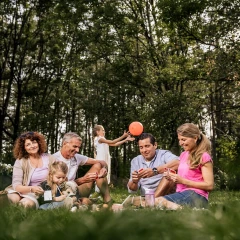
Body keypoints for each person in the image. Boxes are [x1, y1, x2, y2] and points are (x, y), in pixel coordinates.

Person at [155, 123, 214, 209]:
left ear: (195, 138)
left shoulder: (204, 156)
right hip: (183, 194)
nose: (180, 143)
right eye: (179, 140)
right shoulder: (183, 155)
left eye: (183, 139)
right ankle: (182, 209)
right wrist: (172, 177)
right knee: (154, 203)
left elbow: (209, 185)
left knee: (157, 202)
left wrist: (183, 181)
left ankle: (181, 209)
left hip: (197, 196)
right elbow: (185, 177)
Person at [53, 132, 112, 205]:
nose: (77, 150)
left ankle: (108, 201)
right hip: (61, 193)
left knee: (98, 165)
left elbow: (102, 162)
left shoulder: (77, 157)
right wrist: (83, 180)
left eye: (78, 147)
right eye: (75, 146)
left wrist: (104, 169)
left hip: (77, 189)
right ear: (65, 144)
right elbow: (57, 186)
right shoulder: (53, 159)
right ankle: (87, 202)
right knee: (81, 201)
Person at [7, 131, 55, 208]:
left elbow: (60, 173)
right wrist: (31, 189)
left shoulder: (49, 158)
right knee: (12, 199)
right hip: (21, 190)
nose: (32, 146)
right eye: (28, 144)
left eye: (34, 142)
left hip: (38, 194)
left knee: (25, 204)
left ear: (39, 143)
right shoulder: (20, 161)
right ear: (24, 148)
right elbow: (16, 185)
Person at [127, 133, 179, 197]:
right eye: (141, 147)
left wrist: (155, 171)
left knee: (170, 173)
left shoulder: (163, 154)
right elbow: (132, 189)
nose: (144, 150)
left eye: (147, 146)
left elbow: (178, 163)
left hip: (165, 193)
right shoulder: (135, 161)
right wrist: (135, 181)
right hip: (146, 195)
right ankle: (151, 201)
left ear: (155, 145)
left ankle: (152, 201)